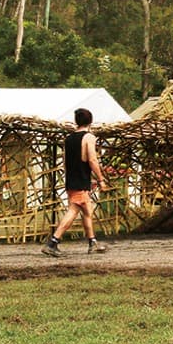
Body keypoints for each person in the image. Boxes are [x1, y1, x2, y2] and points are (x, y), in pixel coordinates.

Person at [42, 108, 109, 256]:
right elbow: (91, 159)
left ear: (76, 121)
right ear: (90, 121)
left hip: (72, 178)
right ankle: (53, 242)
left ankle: (92, 242)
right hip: (81, 179)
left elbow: (65, 161)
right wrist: (101, 179)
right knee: (73, 211)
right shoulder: (89, 137)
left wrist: (71, 177)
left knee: (86, 211)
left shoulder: (69, 139)